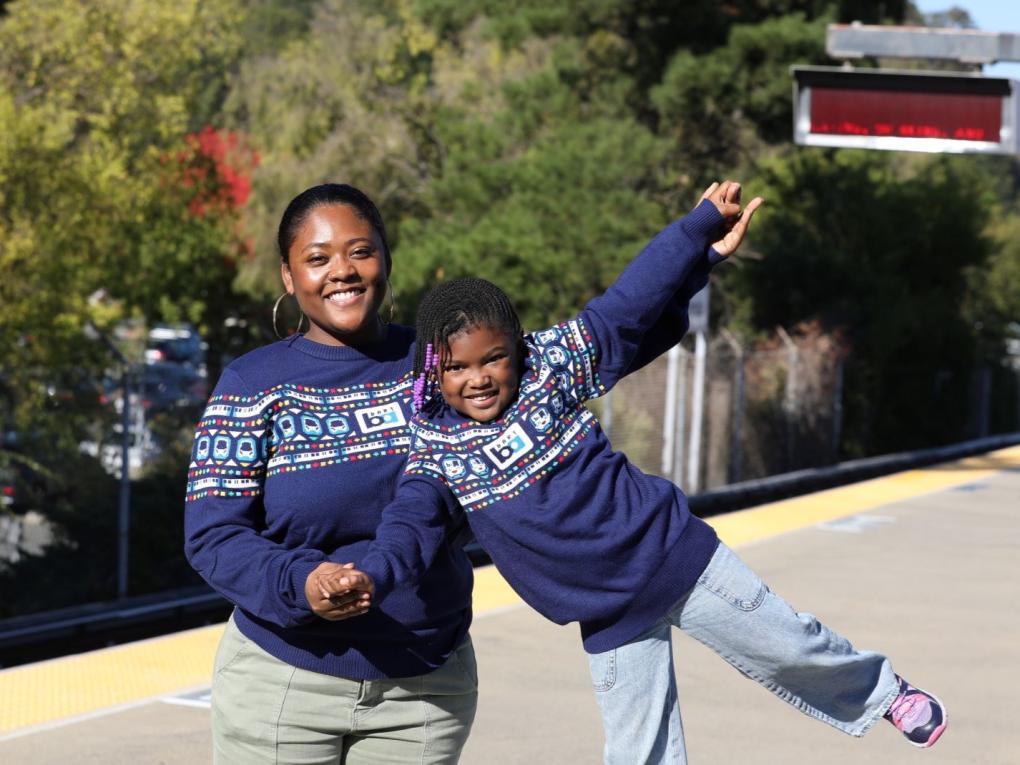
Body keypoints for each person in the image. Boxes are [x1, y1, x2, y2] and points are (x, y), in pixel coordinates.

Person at [319, 181, 947, 764]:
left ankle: (885, 693)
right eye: (458, 368)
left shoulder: (551, 367)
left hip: (679, 561)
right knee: (638, 750)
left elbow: (630, 300)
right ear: (433, 371)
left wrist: (697, 230)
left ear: (518, 349)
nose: (479, 377)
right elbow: (409, 525)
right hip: (606, 614)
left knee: (789, 645)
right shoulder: (433, 447)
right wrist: (370, 571)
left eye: (496, 359)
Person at [184, 183, 479, 764]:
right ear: (289, 279)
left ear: (386, 259)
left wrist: (693, 249)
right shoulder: (251, 386)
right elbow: (213, 536)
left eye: (359, 251)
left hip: (424, 691)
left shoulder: (438, 368)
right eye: (317, 258)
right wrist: (304, 584)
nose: (341, 271)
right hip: (283, 683)